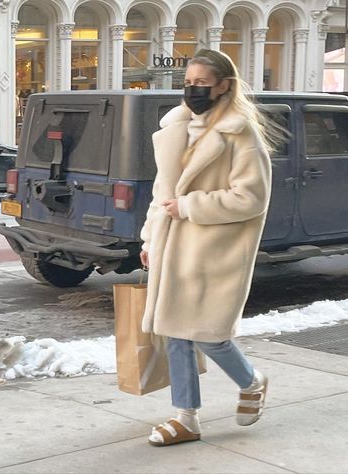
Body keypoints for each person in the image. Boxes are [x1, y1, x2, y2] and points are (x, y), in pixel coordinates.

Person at [139, 49, 274, 447]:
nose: (192, 89)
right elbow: (160, 194)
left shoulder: (240, 134)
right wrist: (150, 239)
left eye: (201, 83)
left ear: (224, 86)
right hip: (174, 245)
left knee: (209, 335)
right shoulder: (177, 127)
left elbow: (251, 198)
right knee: (175, 333)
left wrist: (190, 206)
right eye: (188, 82)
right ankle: (186, 418)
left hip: (213, 250)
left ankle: (252, 381)